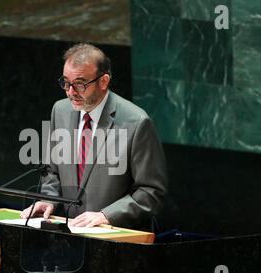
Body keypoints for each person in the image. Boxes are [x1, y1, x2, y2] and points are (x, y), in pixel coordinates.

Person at [21, 43, 167, 230]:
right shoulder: (60, 110)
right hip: (66, 237)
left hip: (115, 241)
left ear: (103, 81)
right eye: (66, 83)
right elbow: (52, 172)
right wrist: (49, 201)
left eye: (80, 84)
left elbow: (151, 191)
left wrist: (107, 215)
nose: (71, 92)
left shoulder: (136, 122)